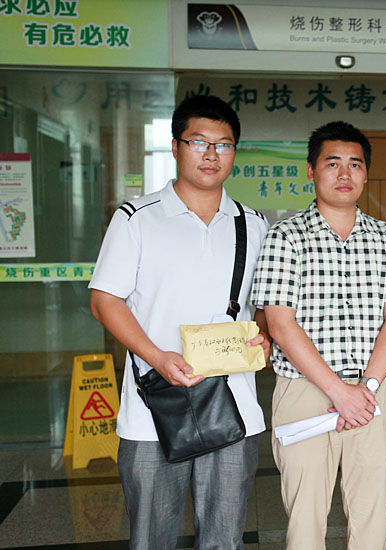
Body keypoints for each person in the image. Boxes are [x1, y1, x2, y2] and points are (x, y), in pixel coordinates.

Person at [88, 95, 270, 549]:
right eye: (198, 142)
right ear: (175, 146)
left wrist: (265, 335)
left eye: (223, 145)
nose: (211, 154)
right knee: (151, 537)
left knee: (224, 538)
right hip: (154, 408)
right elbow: (105, 301)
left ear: (234, 152)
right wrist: (157, 356)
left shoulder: (253, 224)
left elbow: (265, 305)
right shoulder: (136, 219)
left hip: (234, 407)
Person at [250, 121, 386, 550]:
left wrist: (367, 389)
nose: (344, 174)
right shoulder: (285, 236)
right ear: (311, 171)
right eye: (332, 163)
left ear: (366, 174)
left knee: (372, 514)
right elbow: (280, 324)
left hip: (373, 392)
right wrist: (340, 393)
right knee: (305, 517)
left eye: (355, 164)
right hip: (304, 392)